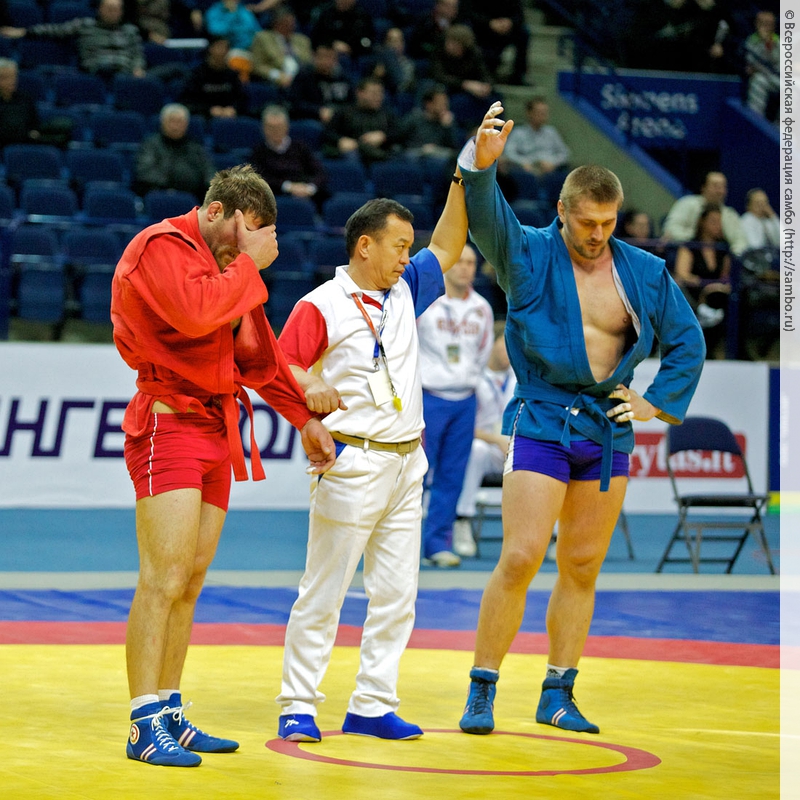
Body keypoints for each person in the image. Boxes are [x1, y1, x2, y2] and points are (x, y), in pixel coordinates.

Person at [456, 102, 705, 737]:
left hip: (606, 426)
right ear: (562, 211)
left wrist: (655, 402)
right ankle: (482, 687)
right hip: (542, 416)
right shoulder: (528, 253)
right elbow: (486, 217)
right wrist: (482, 166)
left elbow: (688, 340)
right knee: (520, 556)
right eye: (587, 221)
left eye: (608, 222)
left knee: (584, 564)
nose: (598, 233)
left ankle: (558, 693)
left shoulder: (643, 271)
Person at [111, 164, 336, 767]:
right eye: (248, 231)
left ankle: (169, 709)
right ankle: (141, 722)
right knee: (162, 576)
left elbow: (260, 361)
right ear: (218, 212)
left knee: (190, 578)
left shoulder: (227, 267)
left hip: (216, 426)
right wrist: (249, 265)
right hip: (168, 423)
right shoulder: (161, 246)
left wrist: (305, 420)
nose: (251, 248)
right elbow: (195, 313)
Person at [273, 171, 469, 743]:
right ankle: (297, 705)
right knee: (324, 590)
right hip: (352, 462)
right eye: (399, 247)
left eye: (410, 248)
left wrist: (464, 174)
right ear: (365, 245)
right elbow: (281, 365)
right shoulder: (322, 304)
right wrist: (309, 387)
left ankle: (373, 703)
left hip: (407, 462)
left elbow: (448, 244)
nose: (408, 258)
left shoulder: (405, 290)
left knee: (397, 595)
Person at [417, 242, 494, 567]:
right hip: (429, 397)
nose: (465, 267)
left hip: (465, 399)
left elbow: (483, 352)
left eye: (471, 262)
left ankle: (437, 544)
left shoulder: (482, 308)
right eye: (460, 261)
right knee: (414, 474)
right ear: (447, 266)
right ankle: (400, 543)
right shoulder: (426, 302)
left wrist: (466, 377)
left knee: (452, 476)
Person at [452, 325, 516, 558]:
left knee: (551, 455)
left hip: (516, 448)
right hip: (487, 445)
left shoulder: (521, 378)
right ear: (492, 344)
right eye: (505, 344)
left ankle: (555, 536)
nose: (510, 351)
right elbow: (464, 426)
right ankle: (462, 520)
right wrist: (496, 440)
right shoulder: (475, 378)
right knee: (476, 449)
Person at [0, 0, 146, 79]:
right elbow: (55, 30)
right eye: (109, 8)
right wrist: (24, 31)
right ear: (100, 9)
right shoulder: (85, 25)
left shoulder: (130, 31)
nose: (113, 13)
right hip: (96, 72)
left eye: (116, 9)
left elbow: (137, 54)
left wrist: (138, 68)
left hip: (125, 74)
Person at [673, 203, 731, 356]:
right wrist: (704, 286)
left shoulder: (723, 248)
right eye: (713, 221)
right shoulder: (690, 246)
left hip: (717, 294)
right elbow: (682, 274)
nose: (717, 226)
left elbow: (725, 276)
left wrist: (715, 287)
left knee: (729, 298)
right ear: (702, 222)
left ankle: (721, 350)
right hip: (694, 291)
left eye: (719, 222)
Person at [248, 104, 328, 206]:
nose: (275, 131)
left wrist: (309, 188)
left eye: (279, 127)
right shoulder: (258, 152)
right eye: (271, 127)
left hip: (306, 195)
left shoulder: (300, 148)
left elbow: (320, 173)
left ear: (287, 127)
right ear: (264, 129)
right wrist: (288, 187)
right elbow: (258, 179)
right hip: (273, 199)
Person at [134, 102, 216, 201]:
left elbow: (209, 175)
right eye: (172, 121)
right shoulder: (150, 145)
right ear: (163, 122)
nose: (175, 126)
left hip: (192, 196)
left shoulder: (196, 148)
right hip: (159, 194)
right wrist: (173, 183)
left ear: (186, 124)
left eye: (180, 122)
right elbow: (145, 173)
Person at [662, 170, 749, 256]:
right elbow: (671, 230)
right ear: (703, 187)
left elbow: (740, 241)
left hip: (717, 258)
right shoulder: (687, 203)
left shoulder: (730, 214)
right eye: (715, 186)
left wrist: (735, 254)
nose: (720, 191)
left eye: (723, 187)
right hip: (685, 253)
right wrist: (698, 240)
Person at [322, 76, 404, 166]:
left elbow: (399, 133)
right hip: (353, 151)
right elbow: (328, 133)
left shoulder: (387, 114)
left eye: (381, 93)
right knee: (350, 155)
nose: (378, 97)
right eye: (374, 93)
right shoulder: (344, 112)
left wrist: (383, 137)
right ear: (360, 93)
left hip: (381, 152)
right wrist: (340, 140)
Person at [460, 0, 529, 85]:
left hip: (506, 29)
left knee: (524, 32)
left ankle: (518, 76)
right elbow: (468, 13)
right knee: (466, 29)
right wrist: (489, 22)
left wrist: (510, 22)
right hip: (480, 28)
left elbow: (519, 15)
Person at [180, 35, 247, 118]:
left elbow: (242, 98)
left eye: (226, 48)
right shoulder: (197, 74)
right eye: (219, 47)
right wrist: (209, 110)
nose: (223, 51)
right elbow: (187, 101)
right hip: (204, 117)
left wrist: (234, 109)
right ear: (210, 49)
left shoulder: (233, 75)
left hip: (229, 117)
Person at [250, 4, 311, 88]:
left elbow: (309, 62)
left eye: (292, 22)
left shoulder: (302, 40)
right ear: (277, 23)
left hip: (302, 78)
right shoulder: (262, 38)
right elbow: (258, 66)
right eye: (286, 23)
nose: (291, 26)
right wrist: (277, 76)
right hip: (277, 79)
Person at [290, 43, 353, 124]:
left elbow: (352, 103)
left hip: (340, 118)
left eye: (330, 57)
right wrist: (318, 111)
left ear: (336, 60)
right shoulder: (304, 76)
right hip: (312, 118)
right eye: (322, 57)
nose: (326, 61)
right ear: (314, 57)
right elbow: (295, 104)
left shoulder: (344, 78)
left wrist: (336, 112)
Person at [310, 0, 375, 61]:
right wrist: (332, 44)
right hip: (328, 51)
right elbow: (316, 37)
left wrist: (350, 48)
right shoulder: (325, 13)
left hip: (354, 56)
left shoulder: (362, 16)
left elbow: (367, 41)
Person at [744, 10, 779, 122]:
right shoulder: (751, 40)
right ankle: (756, 121)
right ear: (757, 24)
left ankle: (782, 125)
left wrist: (769, 44)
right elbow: (752, 62)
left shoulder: (778, 41)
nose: (767, 27)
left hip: (778, 77)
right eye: (763, 24)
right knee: (758, 81)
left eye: (770, 24)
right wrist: (763, 43)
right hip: (761, 77)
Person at [0, 57, 40, 149]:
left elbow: (35, 125)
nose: (12, 81)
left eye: (13, 76)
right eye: (6, 78)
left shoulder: (25, 99)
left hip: (25, 146)